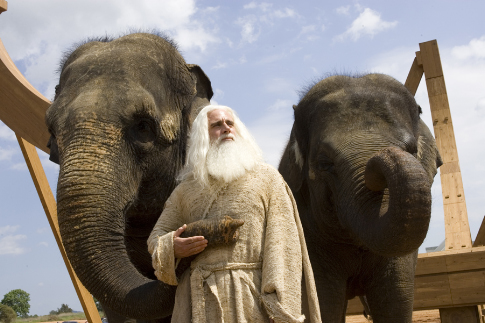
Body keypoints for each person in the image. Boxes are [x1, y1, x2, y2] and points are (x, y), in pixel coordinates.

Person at [148, 105, 321, 323]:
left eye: (230, 123)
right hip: (198, 301)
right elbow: (157, 237)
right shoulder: (186, 190)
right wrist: (172, 246)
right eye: (217, 125)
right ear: (203, 135)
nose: (226, 129)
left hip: (253, 299)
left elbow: (283, 245)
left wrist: (279, 305)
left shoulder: (267, 179)